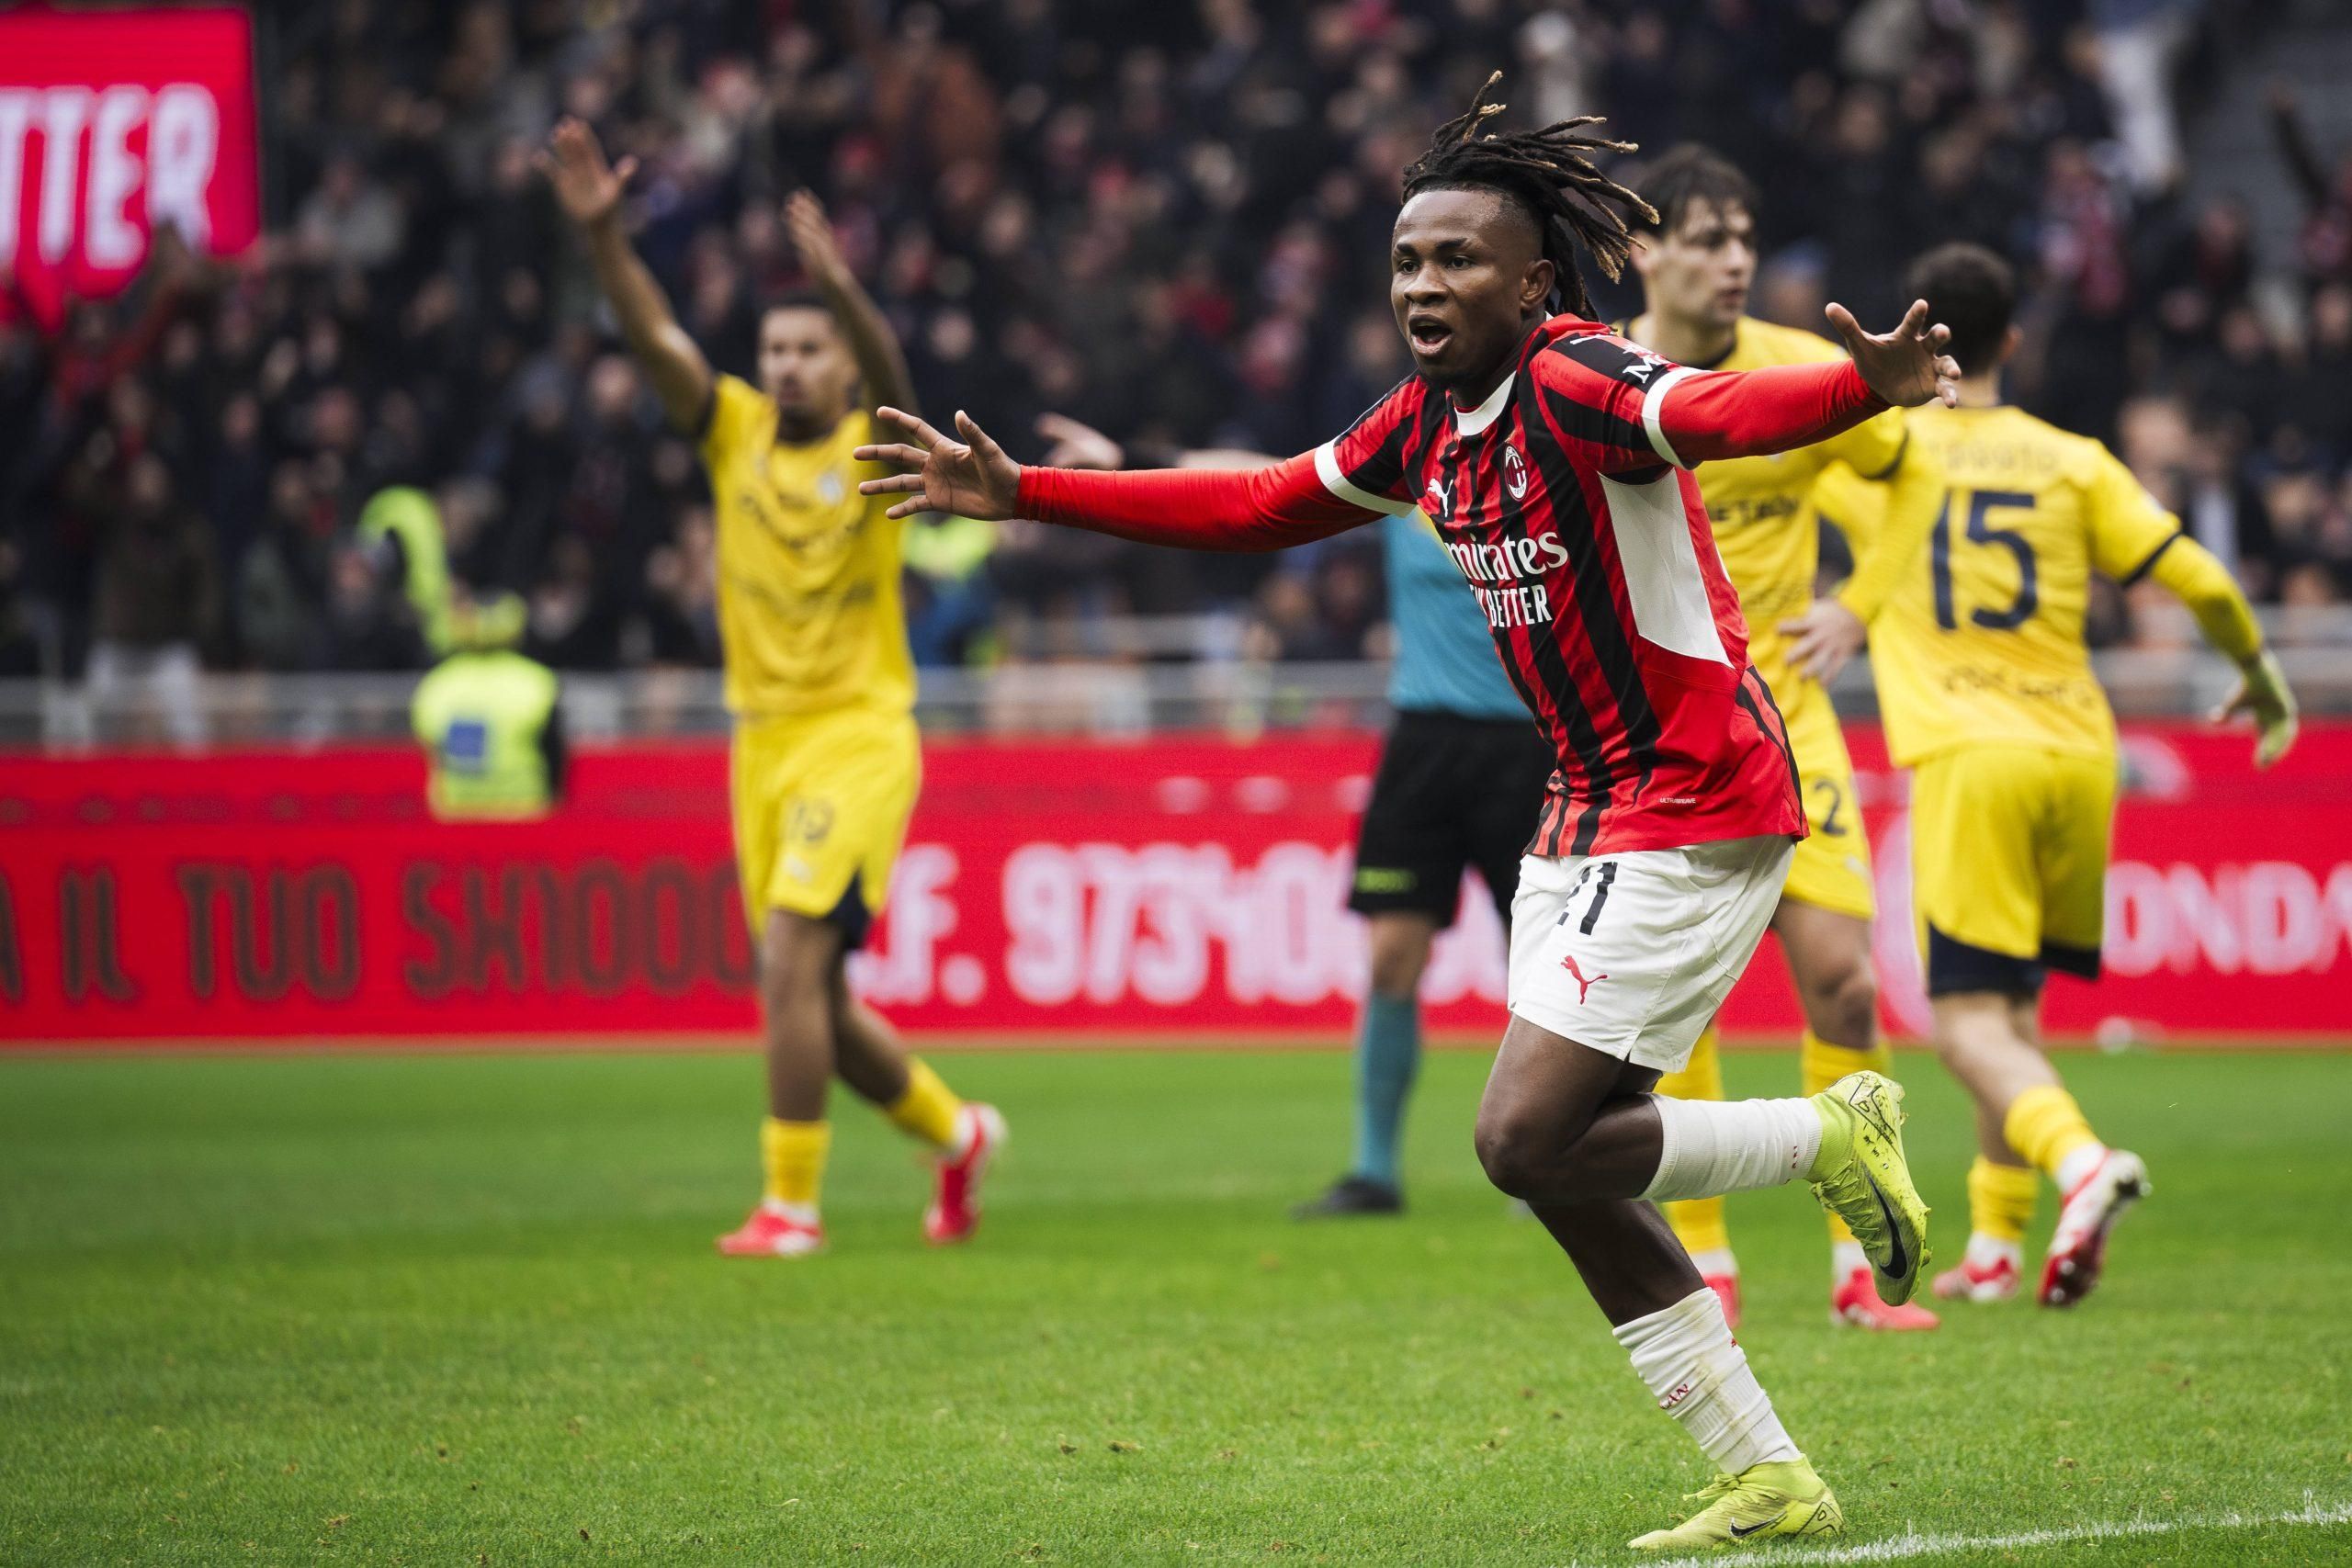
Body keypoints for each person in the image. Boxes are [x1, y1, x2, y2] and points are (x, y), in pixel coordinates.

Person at [859, 78, 1959, 1551]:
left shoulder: (1582, 376)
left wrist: (1855, 388)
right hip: (1583, 811)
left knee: (1521, 1136)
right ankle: (1768, 1466)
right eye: (1406, 262)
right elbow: (1259, 504)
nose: (1423, 285)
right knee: (1564, 1159)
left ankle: (1825, 1127)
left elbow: (1713, 410)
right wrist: (1032, 495)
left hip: (1694, 795)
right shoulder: (1423, 424)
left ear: (1535, 282)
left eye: (1456, 260)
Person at [539, 118, 1002, 1259]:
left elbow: (894, 379)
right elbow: (655, 336)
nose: (789, 364)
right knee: (817, 1005)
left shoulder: (876, 452)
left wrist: (843, 287)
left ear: (839, 365)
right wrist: (603, 242)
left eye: (809, 348)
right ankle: (956, 1135)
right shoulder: (733, 430)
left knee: (791, 957)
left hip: (858, 735)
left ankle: (790, 1207)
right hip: (761, 746)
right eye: (776, 347)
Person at [1812, 243, 2297, 1310]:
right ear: (2015, 342)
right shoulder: (2070, 459)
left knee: (1963, 1024)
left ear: (1923, 336)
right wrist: (2261, 679)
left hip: (1969, 751)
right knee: (2010, 1010)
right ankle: (1995, 1246)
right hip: (2079, 752)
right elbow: (2203, 582)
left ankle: (2082, 1166)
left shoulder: (1882, 449)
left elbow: (1776, 465)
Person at [1033, 412, 1553, 1220]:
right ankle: (1374, 1171)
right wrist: (1132, 454)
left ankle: (1545, 1164)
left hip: (1530, 744)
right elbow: (1270, 473)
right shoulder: (1413, 469)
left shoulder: (1540, 475)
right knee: (1391, 957)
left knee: (1539, 968)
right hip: (1422, 743)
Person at [1619, 147, 1945, 1332]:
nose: (1735, 259)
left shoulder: (1805, 370)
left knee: (1844, 984)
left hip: (1789, 719)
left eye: (1745, 237)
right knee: (1676, 1011)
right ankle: (1705, 1257)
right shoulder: (1599, 376)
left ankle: (1859, 1264)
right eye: (1707, 237)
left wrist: (1860, 604)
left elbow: (1912, 475)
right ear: (1643, 250)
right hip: (1658, 738)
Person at [412, 593, 566, 821]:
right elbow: (553, 751)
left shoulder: (437, 683)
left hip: (456, 813)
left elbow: (430, 748)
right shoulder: (536, 681)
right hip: (523, 813)